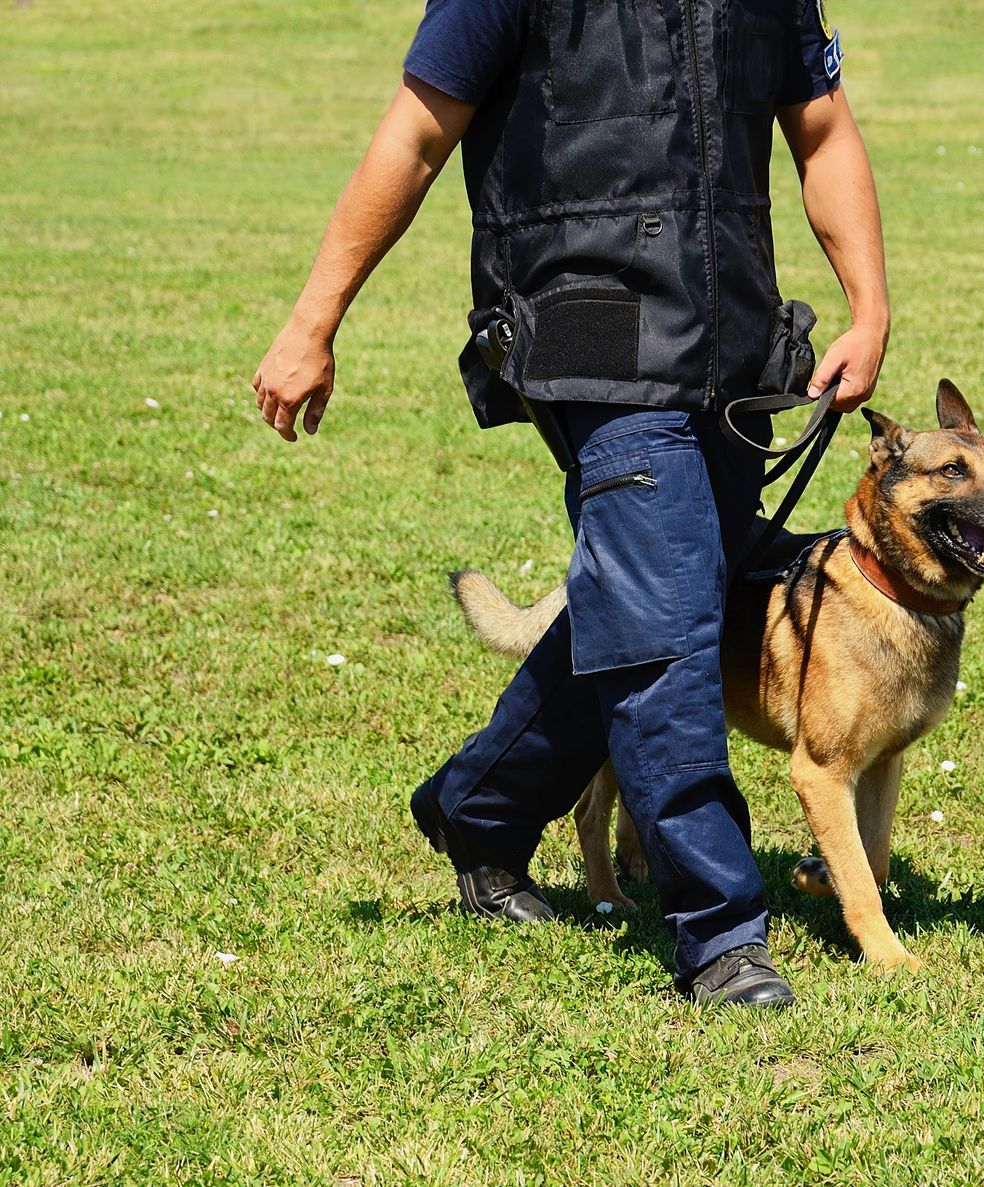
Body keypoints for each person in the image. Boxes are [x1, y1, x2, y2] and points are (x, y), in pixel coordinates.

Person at [250, 0, 890, 1008]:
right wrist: (311, 320)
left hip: (730, 343)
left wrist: (870, 301)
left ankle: (481, 808)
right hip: (582, 329)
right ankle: (721, 936)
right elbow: (416, 134)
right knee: (666, 621)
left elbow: (822, 127)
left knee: (654, 600)